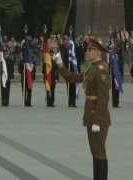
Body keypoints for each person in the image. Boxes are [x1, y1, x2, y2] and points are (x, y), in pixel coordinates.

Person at [53, 39, 111, 180]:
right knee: (94, 151)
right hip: (90, 116)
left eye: (90, 50)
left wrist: (97, 120)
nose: (87, 52)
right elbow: (70, 77)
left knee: (100, 152)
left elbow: (103, 98)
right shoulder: (90, 68)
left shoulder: (101, 69)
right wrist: (59, 60)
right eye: (88, 50)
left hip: (99, 117)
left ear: (97, 52)